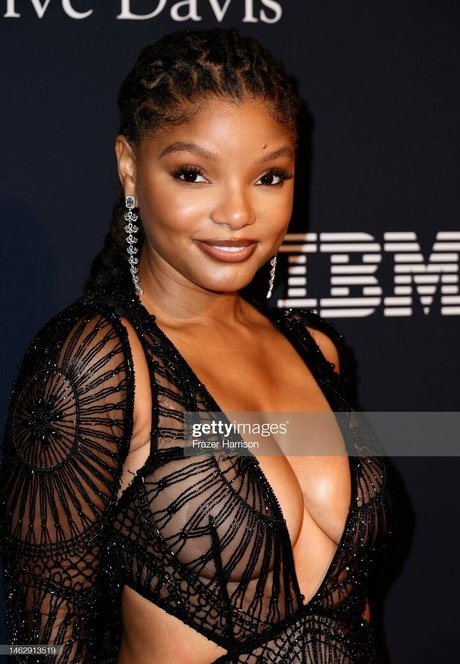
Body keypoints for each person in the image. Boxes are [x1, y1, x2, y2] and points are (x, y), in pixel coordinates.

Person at [0, 28, 392, 663]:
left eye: (269, 177)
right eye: (193, 174)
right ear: (130, 167)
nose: (237, 213)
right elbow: (42, 640)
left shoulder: (316, 349)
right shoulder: (100, 361)